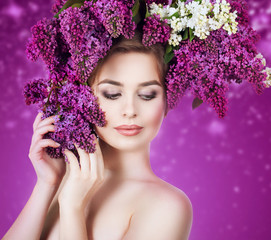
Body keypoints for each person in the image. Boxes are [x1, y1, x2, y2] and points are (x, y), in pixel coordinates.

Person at [3, 29, 193, 240]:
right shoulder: (67, 180)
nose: (130, 110)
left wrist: (73, 209)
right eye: (112, 94)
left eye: (147, 95)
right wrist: (46, 183)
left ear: (167, 100)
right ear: (84, 95)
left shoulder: (167, 206)